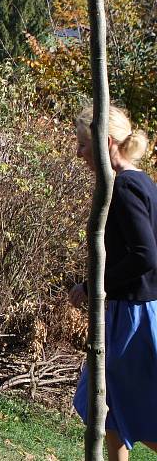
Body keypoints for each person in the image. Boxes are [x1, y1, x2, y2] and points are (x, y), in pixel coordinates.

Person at [70, 105, 157, 461]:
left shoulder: (123, 188)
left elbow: (144, 255)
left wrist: (93, 288)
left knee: (124, 406)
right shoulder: (143, 181)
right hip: (134, 309)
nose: (78, 153)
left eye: (82, 144)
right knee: (103, 405)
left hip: (134, 316)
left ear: (106, 143)